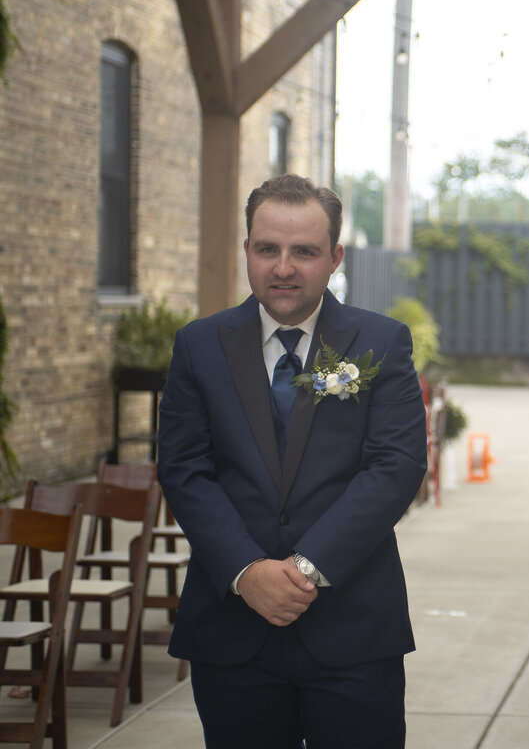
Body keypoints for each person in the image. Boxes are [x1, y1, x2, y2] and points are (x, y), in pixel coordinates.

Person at [157, 173, 428, 748]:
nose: (283, 267)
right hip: (232, 629)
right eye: (267, 249)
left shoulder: (381, 342)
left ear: (334, 258)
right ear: (247, 251)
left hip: (351, 629)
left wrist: (305, 570)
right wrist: (246, 571)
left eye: (303, 251)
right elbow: (185, 470)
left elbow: (395, 466)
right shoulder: (198, 346)